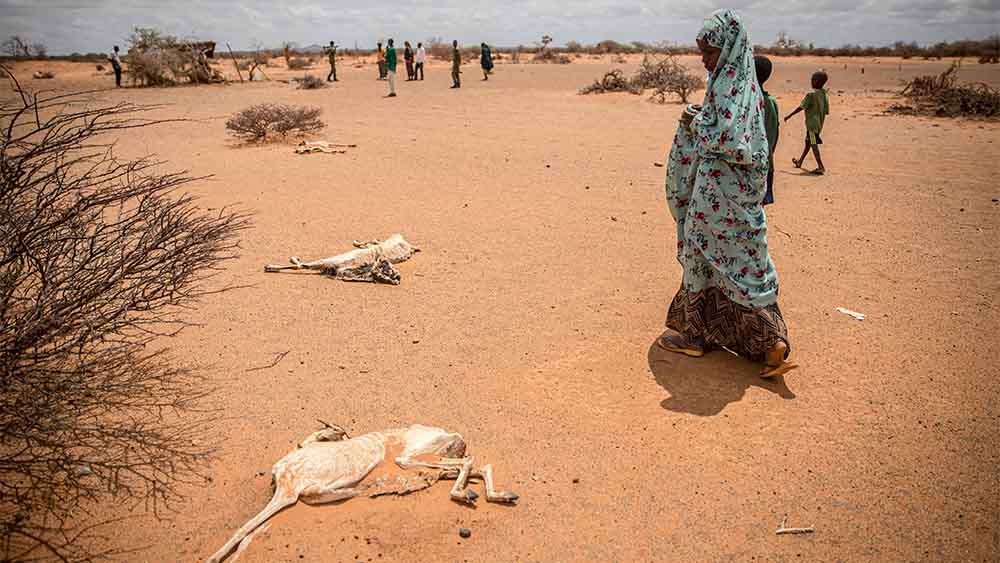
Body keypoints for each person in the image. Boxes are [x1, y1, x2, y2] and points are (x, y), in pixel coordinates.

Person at [660, 9, 797, 378]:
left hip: (720, 197)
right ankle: (770, 343)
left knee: (707, 258)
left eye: (709, 52)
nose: (704, 60)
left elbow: (732, 141)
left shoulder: (729, 87)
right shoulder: (744, 87)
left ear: (729, 49)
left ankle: (696, 335)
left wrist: (697, 121)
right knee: (744, 264)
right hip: (731, 197)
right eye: (701, 52)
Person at [785, 70, 829, 175]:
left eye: (813, 79)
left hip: (812, 125)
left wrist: (790, 115)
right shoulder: (824, 94)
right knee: (808, 142)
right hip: (819, 124)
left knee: (813, 144)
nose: (811, 81)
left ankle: (820, 166)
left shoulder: (811, 95)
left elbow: (801, 107)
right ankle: (800, 161)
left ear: (817, 81)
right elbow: (826, 111)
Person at [755, 55, 779, 205]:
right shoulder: (771, 102)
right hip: (767, 163)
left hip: (754, 166)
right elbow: (775, 133)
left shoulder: (757, 103)